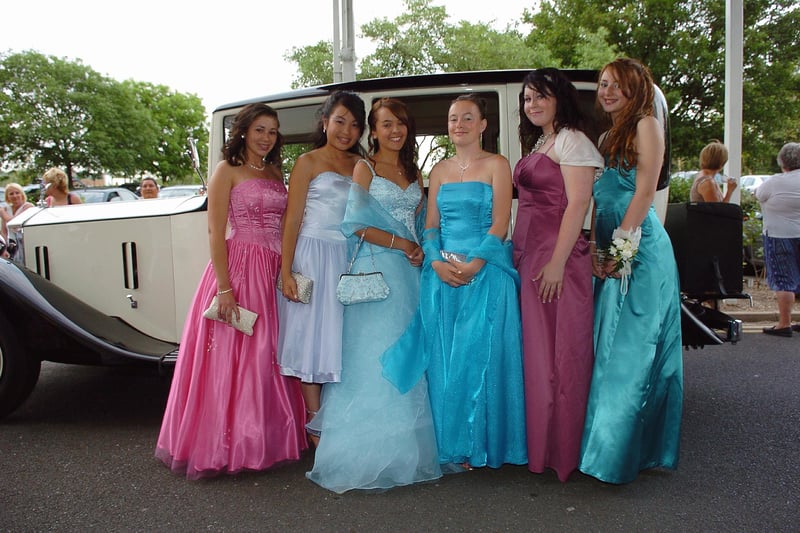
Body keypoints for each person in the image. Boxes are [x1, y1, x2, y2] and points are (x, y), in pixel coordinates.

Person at [155, 103, 307, 479]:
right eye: (259, 129)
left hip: (273, 267)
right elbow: (214, 230)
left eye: (272, 131)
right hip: (239, 268)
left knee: (271, 353)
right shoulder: (226, 170)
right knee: (236, 356)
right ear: (243, 131)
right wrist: (224, 288)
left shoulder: (275, 171)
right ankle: (230, 443)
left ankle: (265, 438)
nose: (266, 138)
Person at [385, 94, 527, 471]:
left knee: (481, 357)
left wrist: (476, 263)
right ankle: (454, 445)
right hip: (443, 276)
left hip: (486, 272)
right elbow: (431, 227)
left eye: (468, 118)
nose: (459, 124)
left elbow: (501, 223)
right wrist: (435, 262)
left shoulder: (498, 164)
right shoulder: (439, 171)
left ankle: (483, 442)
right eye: (452, 119)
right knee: (446, 360)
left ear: (483, 125)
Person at [306, 98, 441, 493]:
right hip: (377, 269)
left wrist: (419, 251)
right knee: (372, 358)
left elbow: (421, 222)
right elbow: (354, 224)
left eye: (400, 123)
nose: (394, 131)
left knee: (408, 355)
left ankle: (405, 452)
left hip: (411, 273)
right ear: (374, 131)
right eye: (385, 125)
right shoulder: (364, 168)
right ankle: (363, 452)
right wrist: (402, 244)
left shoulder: (413, 171)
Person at [580, 58, 683, 484]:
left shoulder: (646, 125)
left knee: (633, 354)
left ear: (636, 88)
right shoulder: (606, 135)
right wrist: (591, 244)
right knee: (607, 349)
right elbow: (598, 195)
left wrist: (622, 248)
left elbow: (645, 190)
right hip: (611, 244)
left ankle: (622, 453)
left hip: (640, 251)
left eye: (616, 85)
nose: (607, 92)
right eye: (603, 84)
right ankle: (605, 445)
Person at [511, 69, 603, 482]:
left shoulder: (573, 140)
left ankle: (562, 450)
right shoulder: (543, 141)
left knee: (560, 354)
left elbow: (578, 203)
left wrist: (557, 262)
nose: (532, 104)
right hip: (528, 256)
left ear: (559, 99)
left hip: (555, 257)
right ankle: (540, 445)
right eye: (528, 98)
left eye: (540, 96)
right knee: (537, 354)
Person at [277, 91, 366, 447]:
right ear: (325, 121)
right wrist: (286, 272)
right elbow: (293, 218)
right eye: (340, 120)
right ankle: (316, 426)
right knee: (311, 339)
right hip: (312, 257)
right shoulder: (307, 162)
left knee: (342, 338)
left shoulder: (361, 163)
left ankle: (341, 418)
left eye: (355, 124)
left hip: (348, 256)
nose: (347, 130)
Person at [755, 142, 800, 337]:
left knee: (784, 280)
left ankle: (784, 323)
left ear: (782, 161)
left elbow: (758, 195)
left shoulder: (774, 182)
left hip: (779, 235)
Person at [1, 183, 35, 262]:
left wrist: (3, 214)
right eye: (11, 194)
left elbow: (15, 224)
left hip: (25, 245)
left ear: (22, 194)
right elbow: (4, 231)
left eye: (17, 193)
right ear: (7, 196)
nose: (15, 196)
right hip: (11, 247)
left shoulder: (28, 207)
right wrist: (4, 248)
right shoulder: (6, 209)